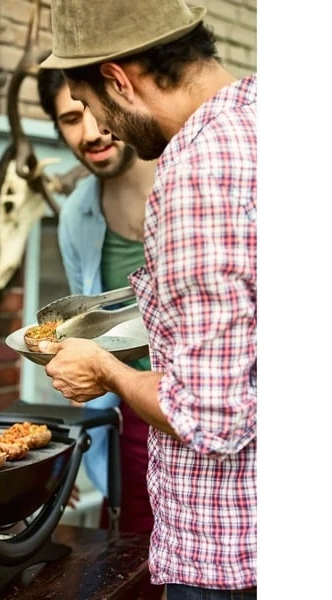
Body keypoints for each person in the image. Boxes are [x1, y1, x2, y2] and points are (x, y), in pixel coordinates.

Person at [39, 1, 257, 598]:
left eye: (89, 104)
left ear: (118, 79)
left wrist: (105, 369)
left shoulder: (196, 171)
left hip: (227, 554)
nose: (97, 126)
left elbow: (210, 416)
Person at [36, 65, 159, 537]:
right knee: (132, 558)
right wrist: (59, 452)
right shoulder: (77, 216)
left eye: (93, 108)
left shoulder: (189, 184)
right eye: (71, 118)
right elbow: (81, 335)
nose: (90, 131)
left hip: (213, 406)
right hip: (130, 419)